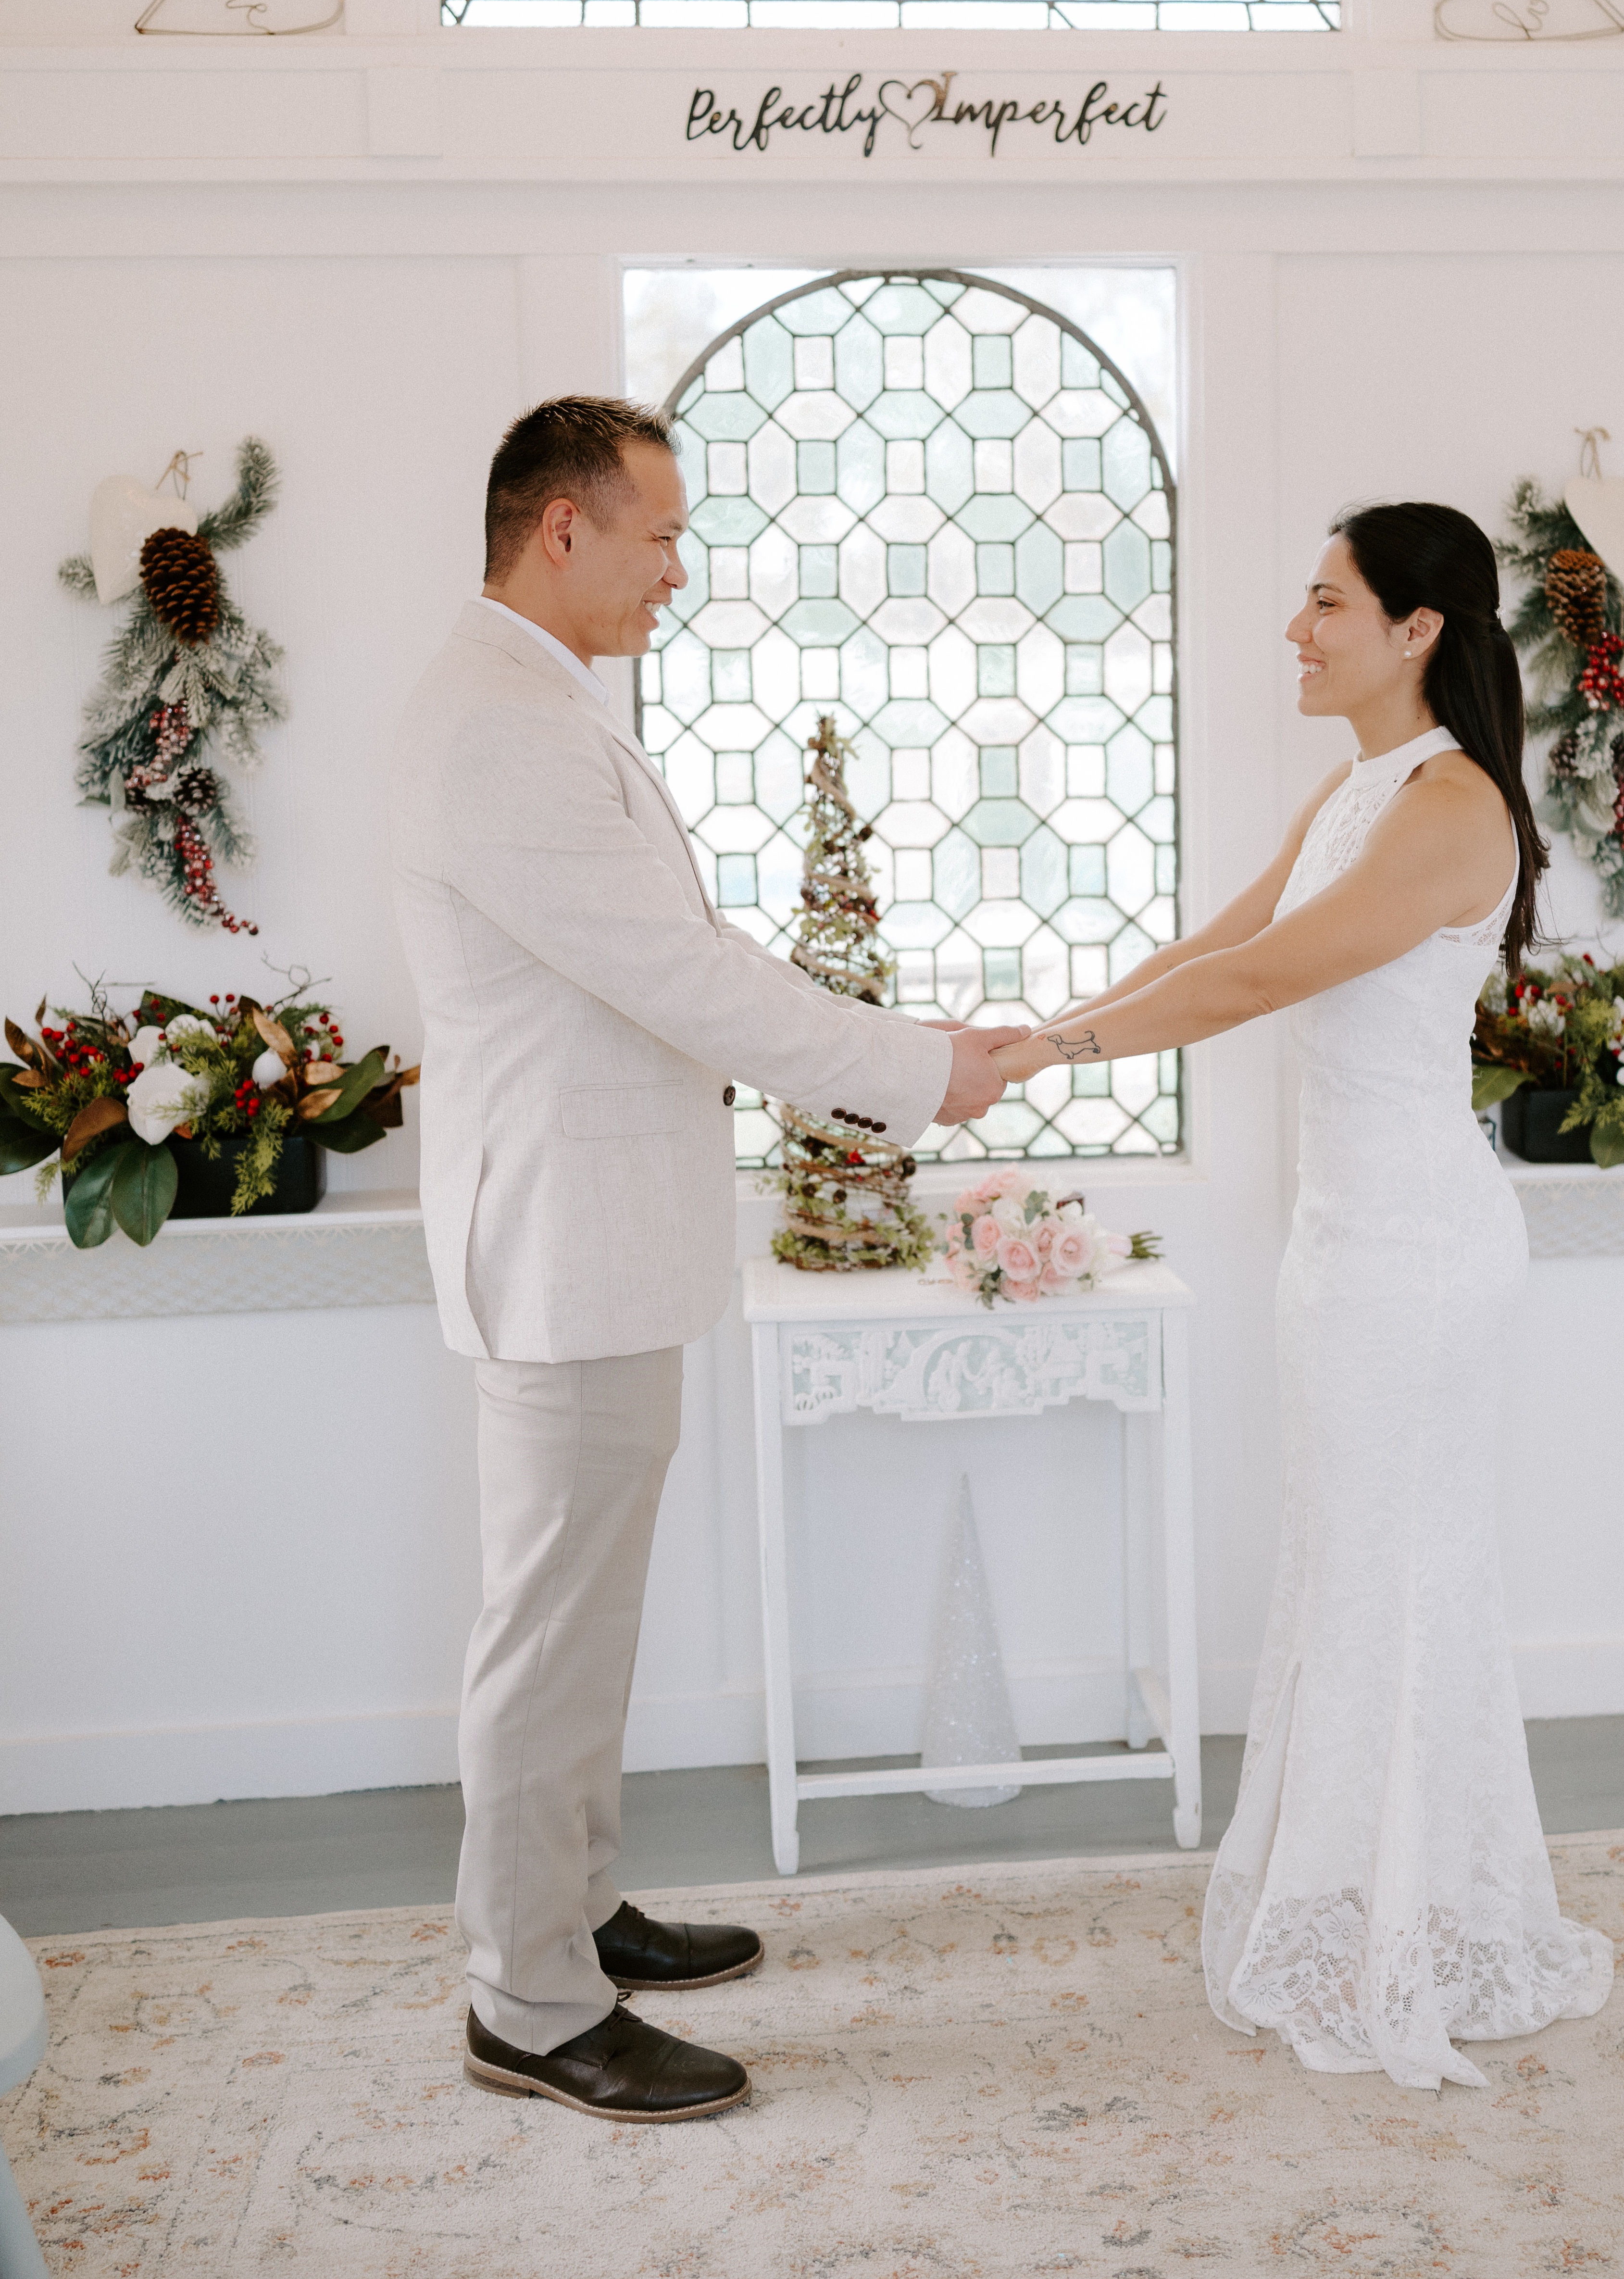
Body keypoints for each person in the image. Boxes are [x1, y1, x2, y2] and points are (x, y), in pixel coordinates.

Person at [390, 395, 1011, 2126]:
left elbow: (676, 957)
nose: (682, 568)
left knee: (586, 1621)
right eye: (661, 533)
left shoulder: (535, 700)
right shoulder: (501, 725)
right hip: (564, 1248)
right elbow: (684, 977)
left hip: (606, 1243)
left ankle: (578, 1908)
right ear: (562, 528)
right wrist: (911, 1069)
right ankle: (525, 1999)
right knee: (547, 1632)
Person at [989, 501, 1613, 2090]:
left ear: (1416, 630)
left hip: (1416, 1256)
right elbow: (1233, 934)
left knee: (1399, 1576)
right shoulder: (1359, 788)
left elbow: (1274, 979)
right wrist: (1041, 1033)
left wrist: (1055, 1058)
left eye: (1326, 602)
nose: (1296, 626)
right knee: (1351, 1567)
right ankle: (1365, 1899)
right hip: (1343, 1246)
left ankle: (1423, 1923)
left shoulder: (1455, 805)